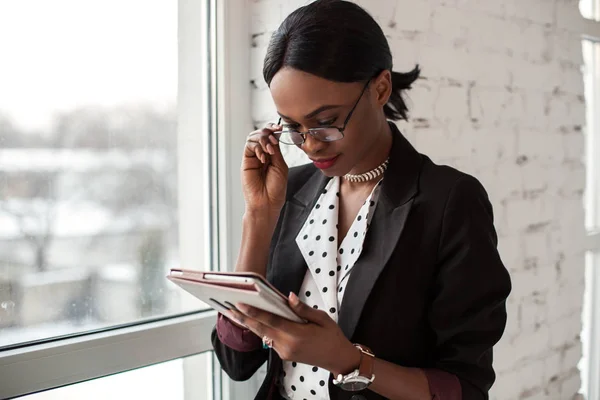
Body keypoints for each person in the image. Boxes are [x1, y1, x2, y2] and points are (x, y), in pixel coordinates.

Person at [212, 1, 511, 399]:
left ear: (380, 87)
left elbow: (466, 388)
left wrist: (348, 361)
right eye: (293, 127)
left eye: (326, 121)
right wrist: (258, 216)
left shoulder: (449, 202)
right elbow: (236, 361)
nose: (311, 144)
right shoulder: (290, 190)